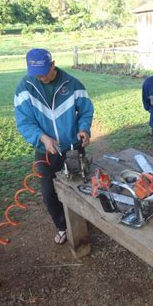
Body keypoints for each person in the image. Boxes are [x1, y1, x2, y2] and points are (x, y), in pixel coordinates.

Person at [14, 49, 94, 244]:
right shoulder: (24, 88)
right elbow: (24, 122)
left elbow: (86, 110)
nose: (41, 77)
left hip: (72, 147)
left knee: (78, 185)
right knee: (49, 193)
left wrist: (84, 129)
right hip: (45, 151)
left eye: (44, 71)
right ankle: (62, 226)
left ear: (53, 64)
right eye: (36, 73)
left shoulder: (72, 84)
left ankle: (83, 220)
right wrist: (42, 138)